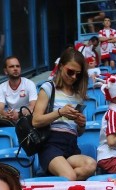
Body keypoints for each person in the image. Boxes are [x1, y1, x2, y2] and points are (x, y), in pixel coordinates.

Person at [32, 48, 95, 181]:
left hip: (71, 144)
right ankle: (59, 179)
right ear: (61, 67)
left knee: (91, 165)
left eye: (78, 74)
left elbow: (79, 132)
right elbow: (36, 121)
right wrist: (60, 112)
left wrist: (81, 124)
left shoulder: (78, 96)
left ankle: (53, 180)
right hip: (51, 143)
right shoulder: (48, 88)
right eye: (70, 72)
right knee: (69, 175)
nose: (74, 77)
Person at [0, 56, 38, 126]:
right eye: (12, 67)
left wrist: (19, 114)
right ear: (5, 71)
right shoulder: (2, 87)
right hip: (10, 118)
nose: (15, 69)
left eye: (17, 66)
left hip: (26, 116)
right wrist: (6, 114)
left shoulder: (29, 84)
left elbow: (33, 106)